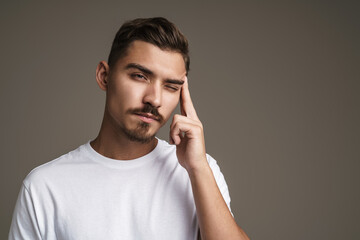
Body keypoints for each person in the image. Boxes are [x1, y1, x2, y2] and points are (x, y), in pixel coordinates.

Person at [9, 17, 249, 240]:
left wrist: (197, 169)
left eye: (170, 86)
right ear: (104, 76)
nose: (154, 99)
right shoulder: (44, 187)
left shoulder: (199, 172)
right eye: (140, 76)